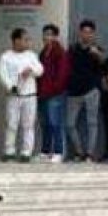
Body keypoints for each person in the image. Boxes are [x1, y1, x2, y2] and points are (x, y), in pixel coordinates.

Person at [0, 28, 44, 162]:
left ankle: (26, 152)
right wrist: (10, 86)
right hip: (14, 94)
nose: (27, 42)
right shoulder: (6, 56)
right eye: (25, 39)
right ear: (16, 40)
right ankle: (9, 151)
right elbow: (3, 74)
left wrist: (31, 70)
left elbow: (40, 70)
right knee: (11, 123)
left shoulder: (31, 55)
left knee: (28, 124)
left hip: (30, 95)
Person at [66, 19, 106, 162]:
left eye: (90, 32)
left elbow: (104, 65)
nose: (87, 35)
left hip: (91, 91)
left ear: (93, 34)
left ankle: (89, 153)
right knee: (70, 124)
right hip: (74, 91)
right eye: (84, 32)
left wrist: (97, 54)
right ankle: (79, 151)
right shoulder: (72, 49)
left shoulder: (97, 49)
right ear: (80, 33)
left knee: (92, 123)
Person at [37, 24, 70, 163]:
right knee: (45, 123)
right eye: (45, 34)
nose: (47, 37)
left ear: (56, 37)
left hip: (55, 93)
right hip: (43, 93)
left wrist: (55, 88)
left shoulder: (60, 52)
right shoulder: (43, 53)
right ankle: (45, 151)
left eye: (50, 35)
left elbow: (63, 73)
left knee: (55, 122)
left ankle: (58, 151)